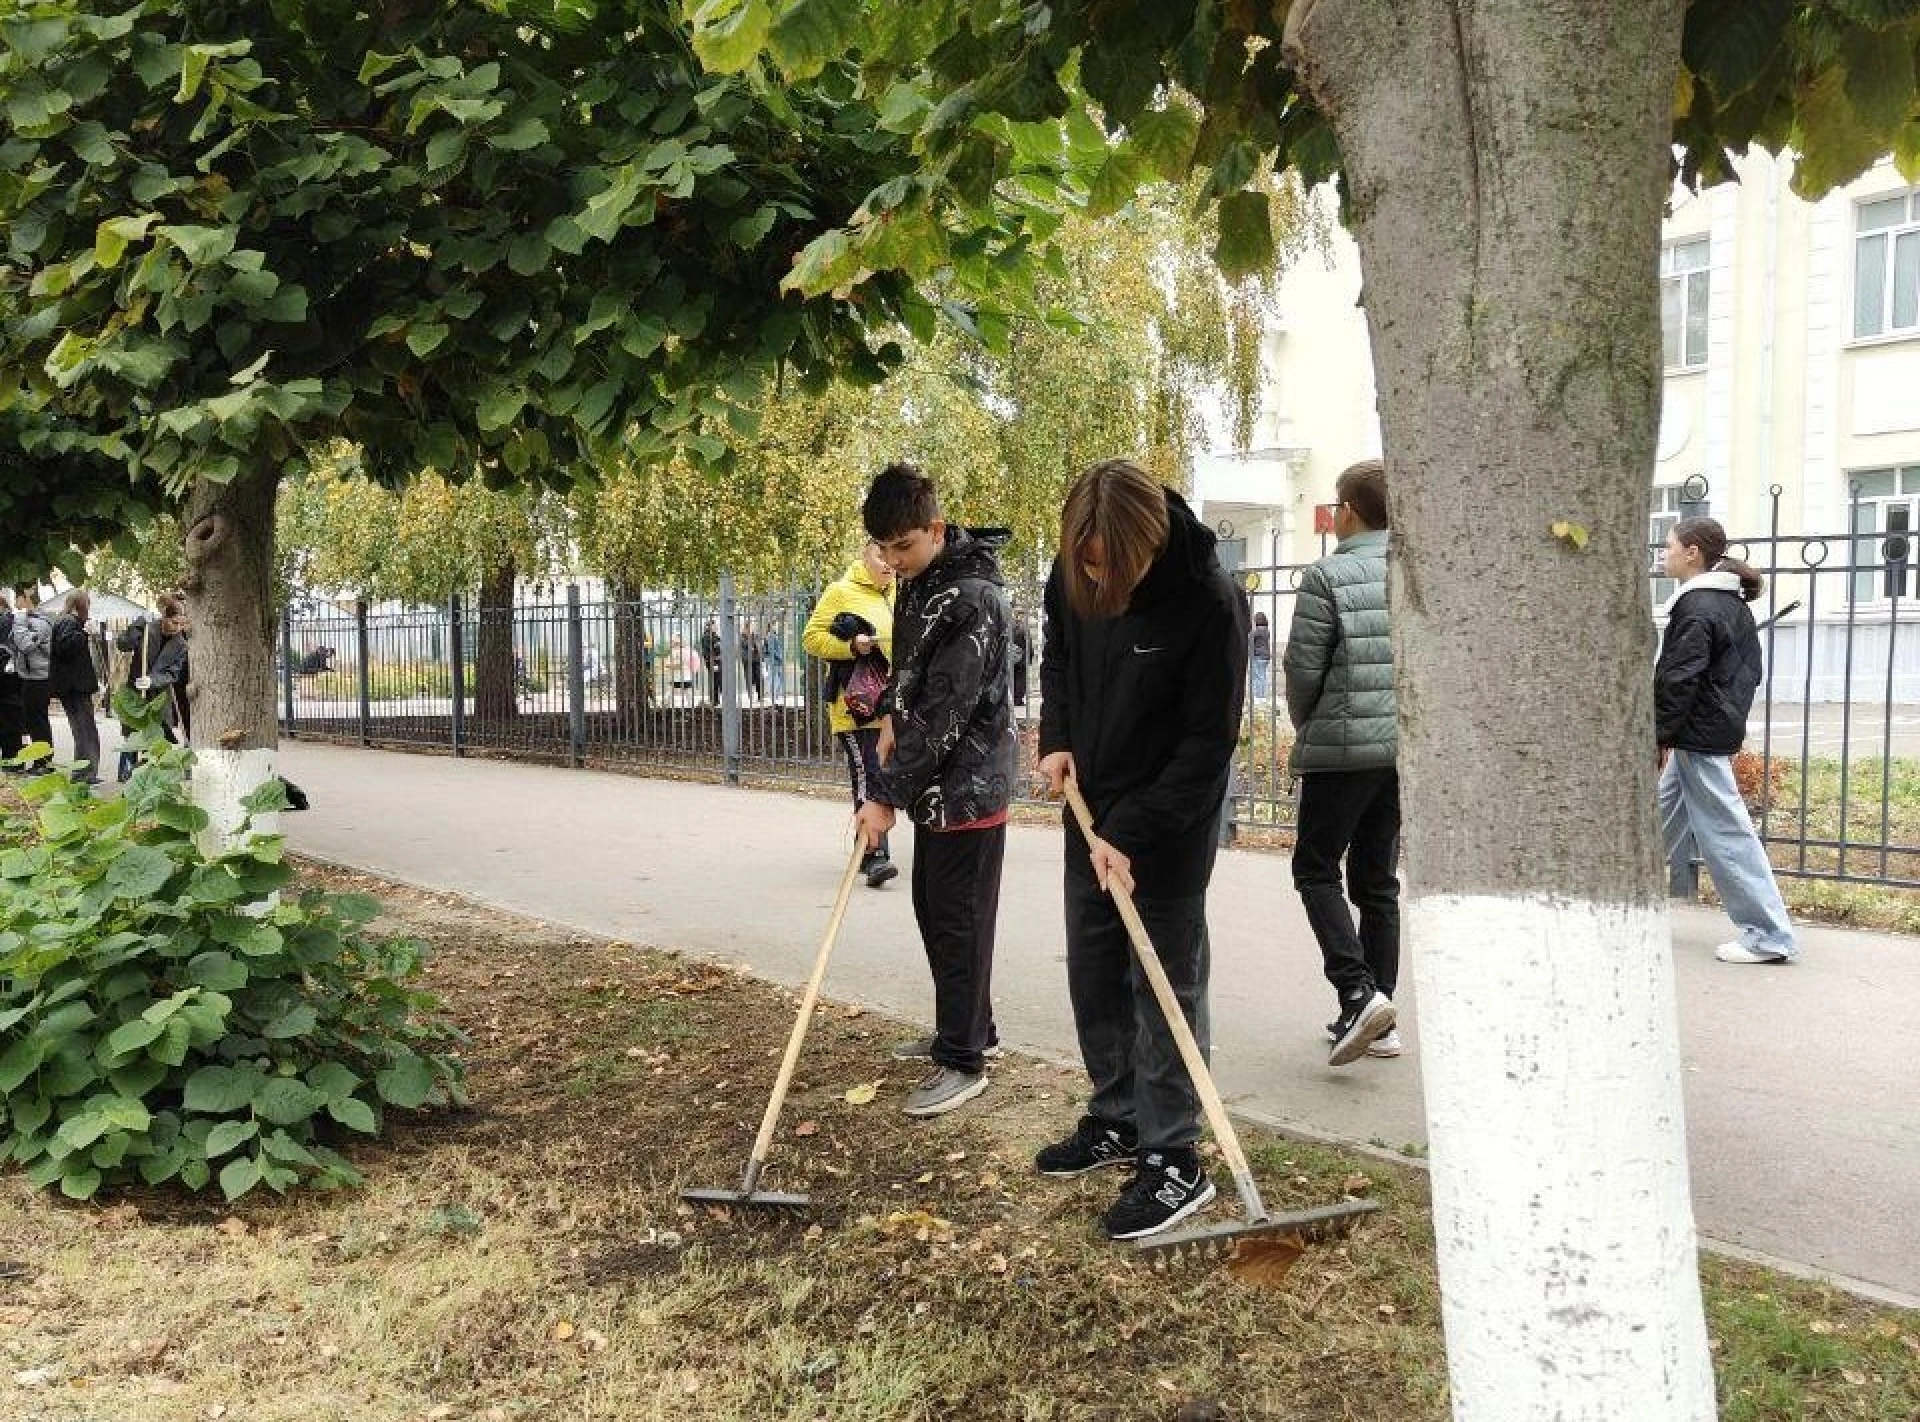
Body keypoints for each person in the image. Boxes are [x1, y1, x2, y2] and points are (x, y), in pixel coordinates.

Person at [1033, 458, 1249, 1241]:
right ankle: (1118, 1115)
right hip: (1089, 813)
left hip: (1168, 824)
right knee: (1094, 972)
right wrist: (1057, 737)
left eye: (1107, 567)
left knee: (1162, 988)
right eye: (1084, 564)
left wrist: (1136, 831)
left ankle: (1173, 1156)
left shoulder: (1209, 601)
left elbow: (1207, 743)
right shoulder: (1076, 569)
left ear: (1145, 544)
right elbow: (1057, 657)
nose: (1095, 579)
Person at [853, 464, 1015, 1119]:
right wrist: (890, 710)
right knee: (935, 911)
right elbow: (909, 665)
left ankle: (963, 1060)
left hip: (970, 784)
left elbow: (946, 709)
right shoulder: (922, 582)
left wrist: (883, 795)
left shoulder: (972, 596)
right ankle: (970, 1027)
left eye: (905, 546)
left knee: (960, 922)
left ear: (936, 529)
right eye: (884, 549)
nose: (893, 561)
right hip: (936, 783)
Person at [1284, 459, 1402, 1067]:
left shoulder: (1327, 575)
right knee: (1377, 880)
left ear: (1350, 511)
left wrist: (1310, 725)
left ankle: (1358, 992)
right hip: (1399, 752)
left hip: (1342, 749)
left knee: (1315, 868)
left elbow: (1304, 670)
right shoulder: (1415, 573)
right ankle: (1380, 1019)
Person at [1657, 516, 1798, 964]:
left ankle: (1768, 935)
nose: (1664, 554)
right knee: (1656, 820)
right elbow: (1749, 671)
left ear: (1692, 552)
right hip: (1703, 730)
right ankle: (1620, 903)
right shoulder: (1728, 603)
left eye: (1669, 546)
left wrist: (1659, 734)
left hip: (1697, 735)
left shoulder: (1698, 606)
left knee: (1726, 833)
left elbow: (1678, 678)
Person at [804, 541, 900, 888]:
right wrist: (850, 646)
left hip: (893, 707)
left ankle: (876, 844)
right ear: (865, 556)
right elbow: (811, 638)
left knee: (890, 775)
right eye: (880, 554)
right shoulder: (841, 591)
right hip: (857, 708)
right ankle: (873, 856)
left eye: (892, 555)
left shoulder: (900, 593)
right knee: (869, 775)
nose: (888, 563)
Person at [114, 594, 190, 780]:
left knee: (156, 739)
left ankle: (151, 777)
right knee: (133, 736)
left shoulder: (180, 644)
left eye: (182, 624)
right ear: (164, 616)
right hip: (135, 695)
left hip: (158, 697)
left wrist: (153, 680)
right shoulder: (148, 629)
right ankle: (126, 775)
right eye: (174, 623)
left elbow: (173, 673)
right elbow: (123, 645)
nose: (178, 628)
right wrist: (137, 625)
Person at [49, 590, 102, 784]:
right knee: (85, 731)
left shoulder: (65, 621)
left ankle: (84, 773)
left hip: (72, 685)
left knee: (82, 730)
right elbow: (65, 648)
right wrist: (84, 633)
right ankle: (84, 774)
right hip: (75, 685)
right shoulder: (69, 622)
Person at [9, 588, 55, 772]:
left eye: (18, 599)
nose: (15, 603)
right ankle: (40, 760)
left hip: (39, 678)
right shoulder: (31, 621)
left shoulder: (40, 623)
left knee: (38, 722)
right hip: (30, 676)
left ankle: (44, 762)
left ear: (27, 599)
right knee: (33, 721)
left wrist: (19, 618)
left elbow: (26, 645)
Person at [0, 603, 23, 769]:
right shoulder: (12, 620)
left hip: (8, 680)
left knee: (9, 723)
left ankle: (12, 760)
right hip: (12, 681)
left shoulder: (7, 621)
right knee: (10, 722)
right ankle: (12, 759)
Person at [1249, 611, 1273, 702]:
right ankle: (1261, 696)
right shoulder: (1267, 630)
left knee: (1257, 677)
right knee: (1262, 676)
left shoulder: (1257, 631)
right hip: (1266, 657)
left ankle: (1258, 697)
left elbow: (1249, 638)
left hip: (1258, 656)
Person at [698, 618, 723, 705]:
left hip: (718, 661)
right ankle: (714, 700)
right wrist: (713, 659)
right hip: (713, 661)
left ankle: (717, 699)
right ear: (709, 626)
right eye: (714, 625)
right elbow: (706, 651)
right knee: (714, 680)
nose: (716, 627)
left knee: (719, 679)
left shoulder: (715, 636)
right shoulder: (706, 637)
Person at [739, 623, 765, 702]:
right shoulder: (742, 637)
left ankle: (760, 696)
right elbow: (744, 646)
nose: (752, 629)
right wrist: (750, 646)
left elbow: (760, 646)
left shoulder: (755, 636)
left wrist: (757, 647)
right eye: (751, 627)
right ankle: (751, 695)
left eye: (753, 627)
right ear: (747, 628)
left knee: (759, 677)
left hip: (757, 660)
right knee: (749, 678)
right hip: (748, 661)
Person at [764, 624, 786, 702]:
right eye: (774, 625)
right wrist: (779, 657)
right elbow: (771, 649)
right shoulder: (770, 636)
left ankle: (776, 695)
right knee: (774, 678)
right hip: (774, 661)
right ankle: (773, 695)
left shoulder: (773, 636)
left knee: (778, 678)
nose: (776, 626)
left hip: (776, 661)